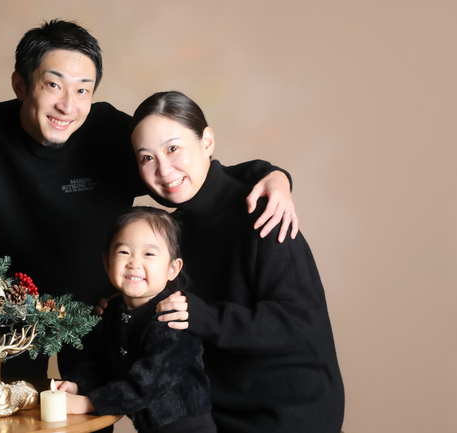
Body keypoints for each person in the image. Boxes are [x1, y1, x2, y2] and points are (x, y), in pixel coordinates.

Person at [0, 19, 298, 378]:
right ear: (20, 84)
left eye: (82, 90)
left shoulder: (111, 133)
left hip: (96, 315)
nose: (68, 106)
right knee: (7, 411)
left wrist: (271, 174)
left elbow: (183, 176)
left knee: (95, 409)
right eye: (53, 85)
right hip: (8, 315)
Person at [129, 91, 344, 433]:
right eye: (147, 158)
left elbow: (295, 319)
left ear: (207, 141)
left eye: (173, 148)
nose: (164, 170)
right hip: (216, 412)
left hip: (289, 412)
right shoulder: (171, 233)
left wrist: (205, 318)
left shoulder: (264, 212)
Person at [58, 207, 216, 433]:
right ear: (107, 263)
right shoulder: (111, 312)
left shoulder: (173, 317)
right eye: (124, 252)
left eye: (149, 254)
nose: (134, 262)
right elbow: (100, 365)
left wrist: (87, 403)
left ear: (172, 269)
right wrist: (77, 385)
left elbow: (147, 384)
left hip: (188, 428)